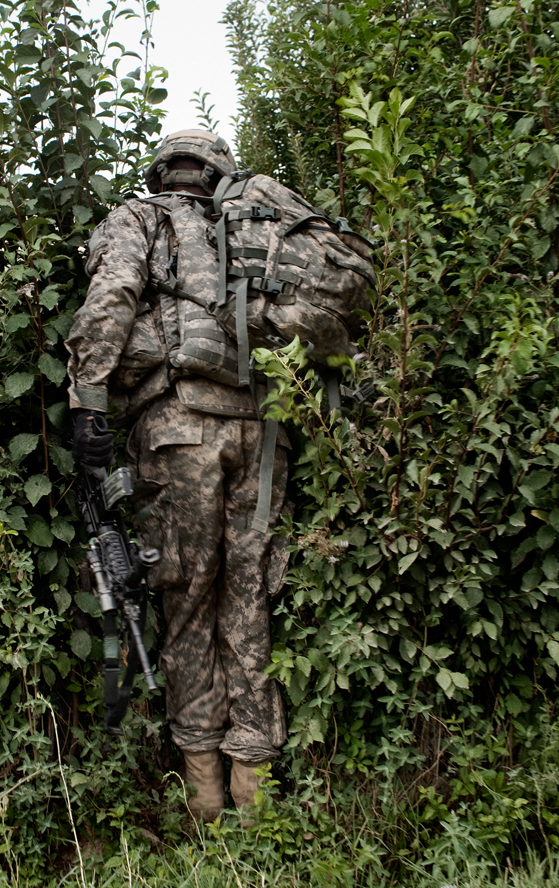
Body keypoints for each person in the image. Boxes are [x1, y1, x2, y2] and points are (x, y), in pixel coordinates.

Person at [65, 129, 374, 821]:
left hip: (178, 436)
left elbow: (112, 296)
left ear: (161, 173)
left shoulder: (142, 218)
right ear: (219, 173)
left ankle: (206, 797)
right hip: (263, 437)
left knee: (188, 602)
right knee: (248, 599)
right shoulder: (255, 232)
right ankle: (254, 792)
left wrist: (88, 405)